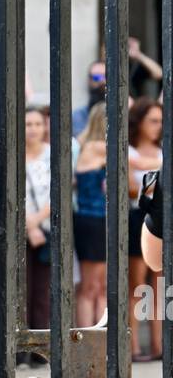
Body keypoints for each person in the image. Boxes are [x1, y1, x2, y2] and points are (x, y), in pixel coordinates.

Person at [128, 97, 163, 362]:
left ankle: (160, 345)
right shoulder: (128, 151)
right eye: (152, 120)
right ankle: (133, 349)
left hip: (163, 219)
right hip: (138, 217)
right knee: (137, 286)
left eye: (161, 121)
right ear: (138, 121)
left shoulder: (164, 149)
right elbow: (130, 189)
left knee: (161, 285)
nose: (157, 126)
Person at [73, 101, 108, 327]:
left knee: (102, 285)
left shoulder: (86, 143)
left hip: (101, 220)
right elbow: (136, 160)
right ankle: (87, 338)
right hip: (91, 220)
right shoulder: (96, 146)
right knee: (90, 286)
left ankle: (102, 339)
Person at [25, 105, 52, 329]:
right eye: (27, 124)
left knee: (44, 291)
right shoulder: (12, 154)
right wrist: (28, 226)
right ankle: (20, 350)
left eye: (37, 124)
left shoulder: (53, 154)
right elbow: (6, 191)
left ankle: (40, 348)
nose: (33, 129)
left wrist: (37, 221)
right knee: (20, 290)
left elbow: (60, 192)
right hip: (18, 231)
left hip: (48, 230)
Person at [72, 60, 106, 138]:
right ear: (89, 81)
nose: (102, 81)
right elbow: (77, 145)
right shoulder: (78, 115)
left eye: (106, 76)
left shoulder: (123, 111)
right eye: (97, 77)